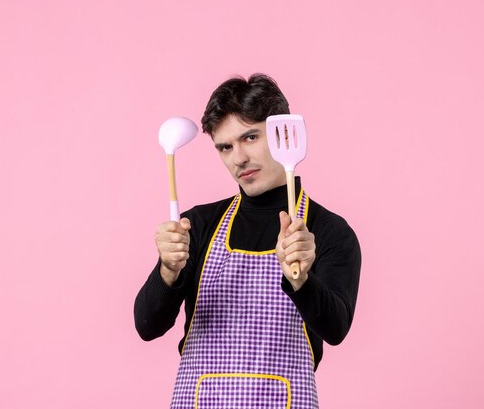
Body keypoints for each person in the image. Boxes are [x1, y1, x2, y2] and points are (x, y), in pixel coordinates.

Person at [134, 73, 361, 409]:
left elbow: (336, 327)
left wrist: (301, 279)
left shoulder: (326, 231)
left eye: (250, 137)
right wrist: (168, 270)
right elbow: (147, 326)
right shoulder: (198, 225)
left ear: (282, 134)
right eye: (225, 147)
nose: (238, 158)